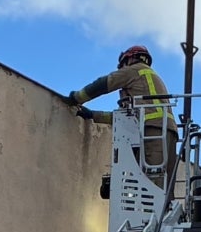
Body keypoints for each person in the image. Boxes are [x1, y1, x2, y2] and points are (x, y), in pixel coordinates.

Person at [66, 44, 172, 177]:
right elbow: (124, 118)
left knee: (152, 181)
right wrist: (93, 115)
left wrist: (77, 98)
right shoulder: (148, 81)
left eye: (122, 65)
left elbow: (103, 84)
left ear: (130, 59)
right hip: (165, 132)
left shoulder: (134, 71)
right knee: (165, 186)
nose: (122, 69)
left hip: (152, 132)